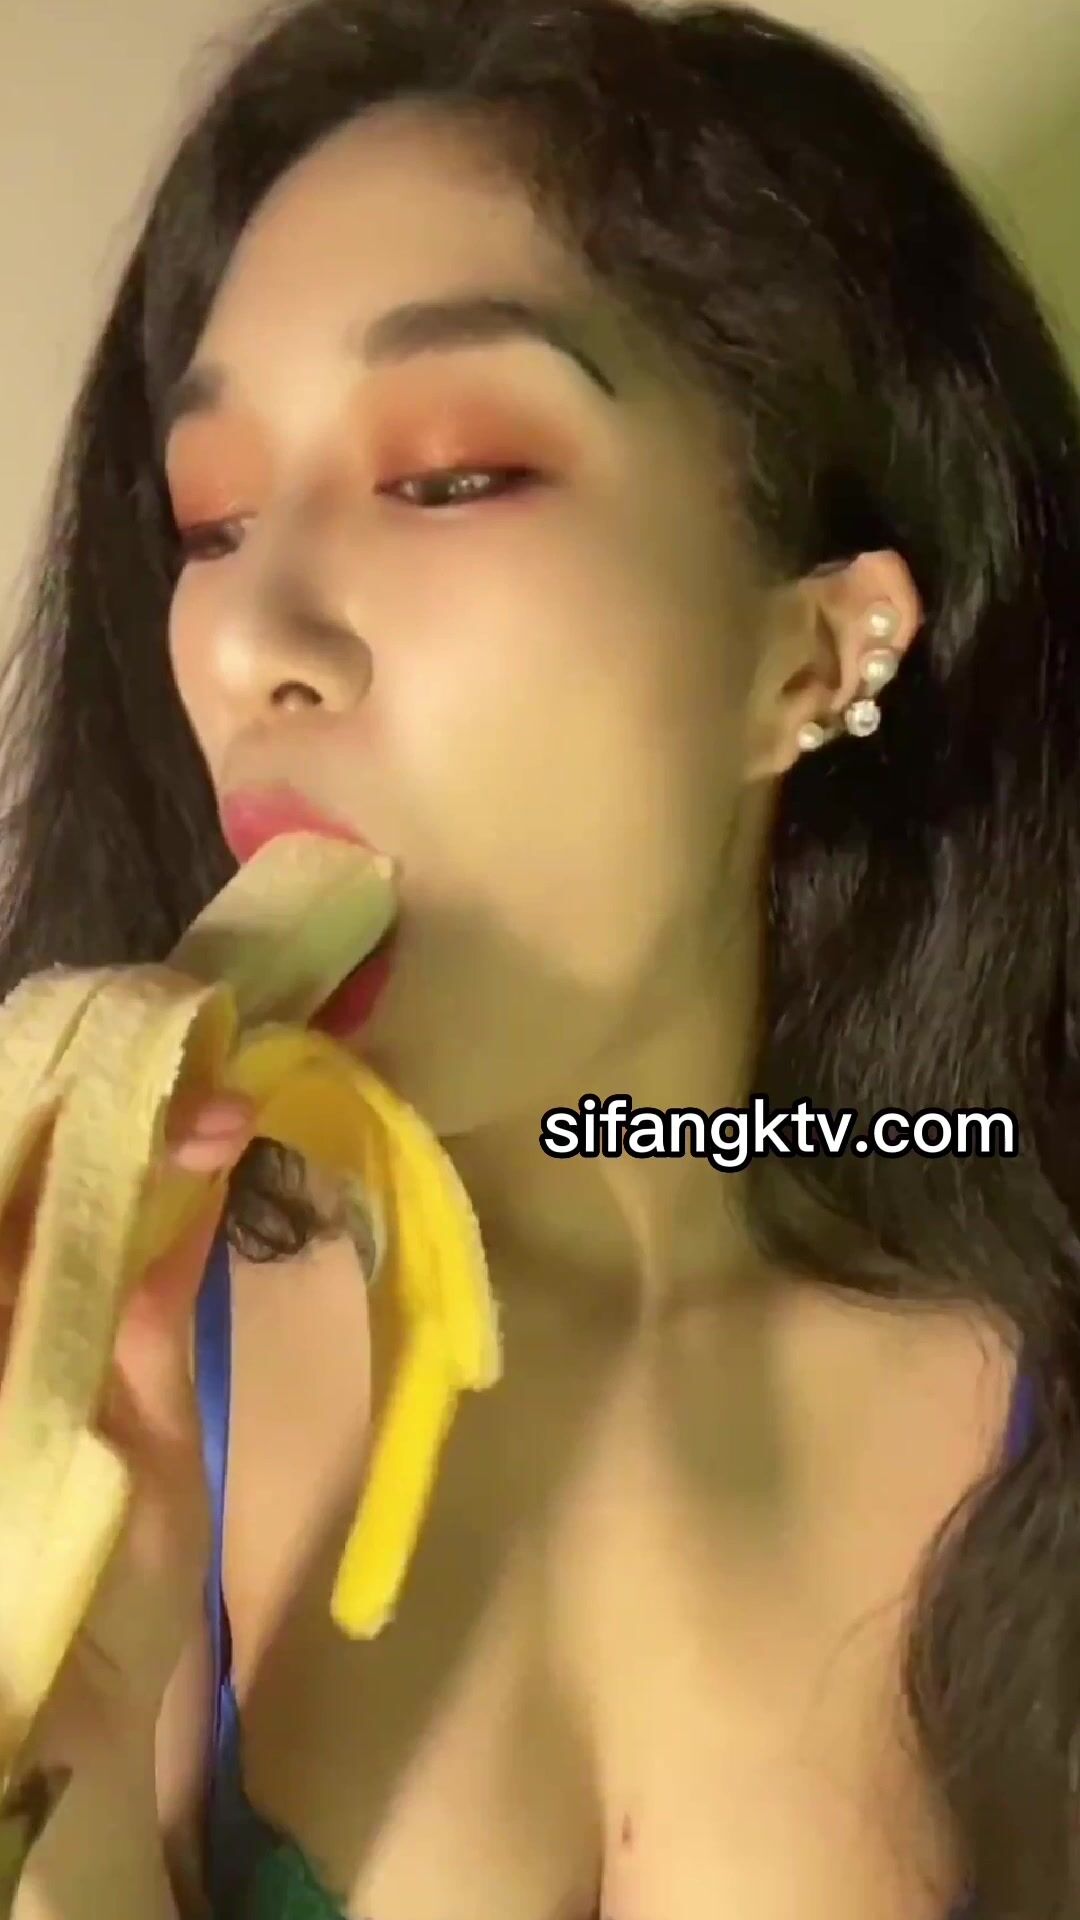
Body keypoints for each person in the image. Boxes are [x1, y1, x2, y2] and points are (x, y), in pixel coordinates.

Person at [0, 0, 1077, 1913]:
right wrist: (58, 1736)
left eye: (447, 476)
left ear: (809, 657)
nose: (245, 640)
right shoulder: (116, 1406)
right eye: (212, 520)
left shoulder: (1027, 1385)